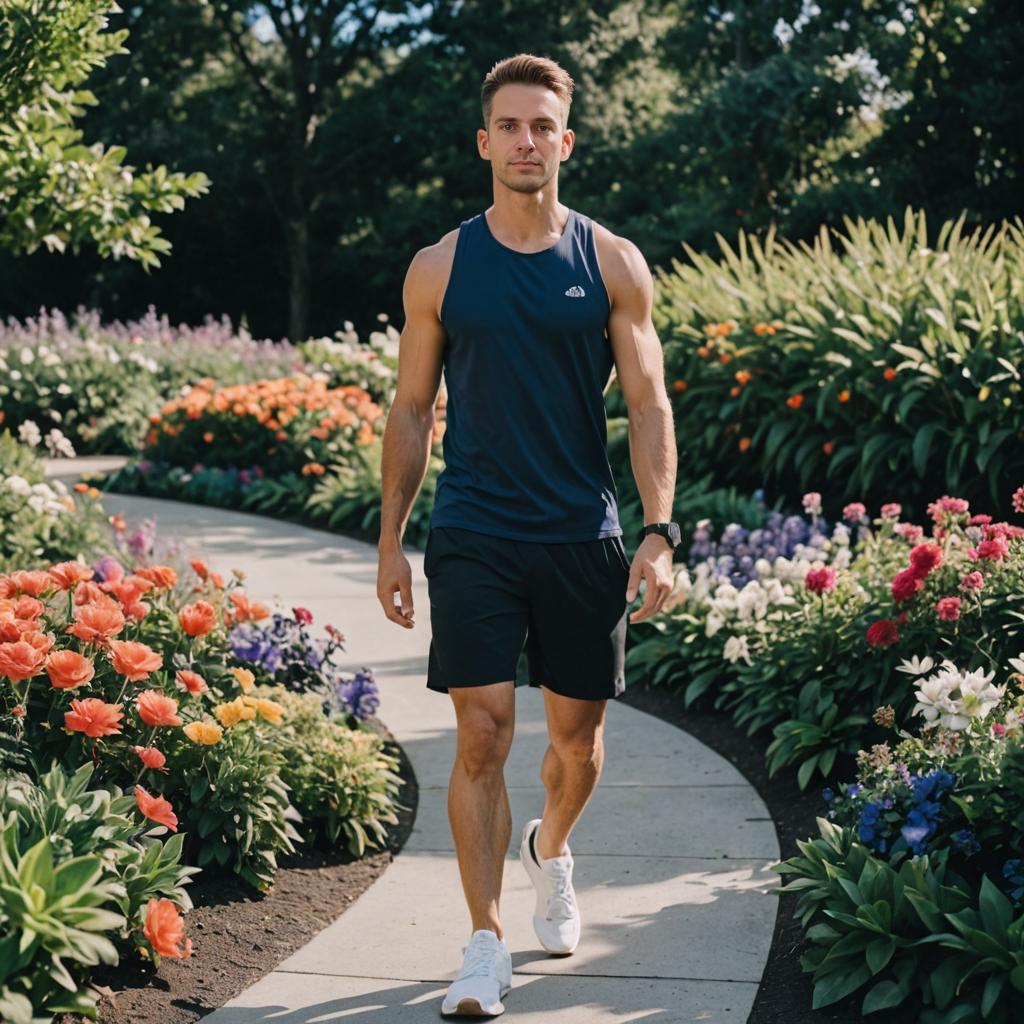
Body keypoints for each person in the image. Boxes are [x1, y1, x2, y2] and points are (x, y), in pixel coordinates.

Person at [376, 52, 679, 1018]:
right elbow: (413, 408)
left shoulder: (612, 262)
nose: (525, 141)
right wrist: (391, 539)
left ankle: (551, 847)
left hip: (580, 532)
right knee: (480, 733)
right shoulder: (441, 267)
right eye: (509, 126)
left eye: (541, 126)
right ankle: (483, 942)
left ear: (566, 141)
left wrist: (660, 529)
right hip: (474, 530)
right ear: (483, 142)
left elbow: (648, 400)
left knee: (577, 745)